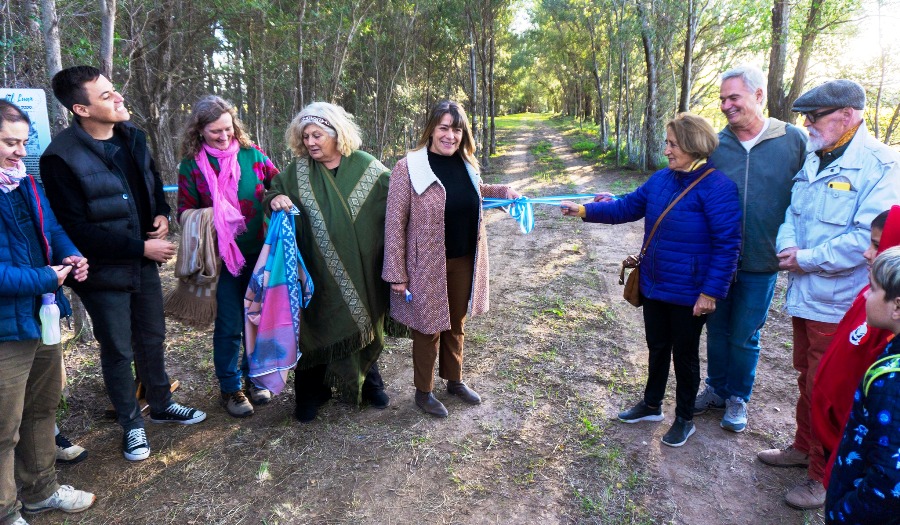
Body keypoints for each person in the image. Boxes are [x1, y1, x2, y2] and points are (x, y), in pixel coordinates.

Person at [40, 65, 206, 463]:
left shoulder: (133, 137)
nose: (118, 98)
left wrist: (161, 213)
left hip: (141, 266)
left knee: (152, 337)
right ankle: (131, 425)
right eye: (106, 96)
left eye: (114, 90)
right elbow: (76, 229)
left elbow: (152, 185)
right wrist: (140, 248)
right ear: (81, 109)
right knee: (117, 349)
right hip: (102, 273)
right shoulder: (59, 157)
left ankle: (162, 404)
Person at [758, 79, 900, 509]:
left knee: (831, 387)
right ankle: (804, 447)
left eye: (814, 116)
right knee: (807, 375)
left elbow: (867, 241)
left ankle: (822, 476)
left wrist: (806, 258)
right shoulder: (817, 154)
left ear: (846, 115)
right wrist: (789, 247)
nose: (807, 124)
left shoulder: (881, 165)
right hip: (805, 293)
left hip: (841, 302)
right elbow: (792, 210)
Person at [560, 113, 741, 447]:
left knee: (684, 356)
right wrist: (583, 210)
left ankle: (684, 418)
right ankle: (651, 404)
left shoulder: (719, 188)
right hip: (655, 283)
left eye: (673, 144)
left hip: (690, 292)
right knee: (657, 347)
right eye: (667, 143)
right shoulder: (660, 179)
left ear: (693, 145)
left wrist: (710, 293)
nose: (667, 150)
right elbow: (626, 208)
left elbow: (727, 246)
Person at [382, 100, 521, 418]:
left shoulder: (466, 163)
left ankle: (454, 380)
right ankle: (424, 391)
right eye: (444, 127)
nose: (450, 135)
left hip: (464, 259)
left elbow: (476, 191)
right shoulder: (409, 167)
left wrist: (504, 191)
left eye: (456, 129)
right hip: (425, 264)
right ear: (431, 129)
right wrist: (396, 273)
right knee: (427, 327)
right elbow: (394, 224)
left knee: (456, 323)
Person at [695, 65, 807, 432]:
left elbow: (810, 194)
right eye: (722, 99)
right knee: (716, 329)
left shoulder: (793, 140)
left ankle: (737, 397)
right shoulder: (716, 145)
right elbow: (686, 185)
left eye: (734, 98)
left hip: (763, 260)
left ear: (759, 96)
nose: (726, 105)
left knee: (745, 334)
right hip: (718, 260)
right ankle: (716, 389)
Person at [0, 100, 95, 525]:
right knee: (3, 427)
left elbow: (53, 229)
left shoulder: (26, 183)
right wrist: (45, 277)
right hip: (5, 330)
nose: (20, 152)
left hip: (42, 317)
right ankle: (6, 510)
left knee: (41, 410)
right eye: (9, 143)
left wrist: (70, 255)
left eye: (23, 142)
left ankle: (41, 491)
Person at [266, 102, 390, 422]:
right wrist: (275, 199)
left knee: (361, 320)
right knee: (315, 327)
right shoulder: (296, 174)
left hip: (361, 270)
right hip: (315, 271)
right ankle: (310, 393)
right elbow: (272, 193)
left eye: (317, 135)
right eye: (305, 136)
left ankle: (369, 383)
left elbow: (398, 200)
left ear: (337, 134)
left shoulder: (367, 167)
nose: (310, 142)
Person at [176, 95, 280, 418]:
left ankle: (256, 378)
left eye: (228, 128)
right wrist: (215, 216)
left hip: (259, 253)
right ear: (199, 131)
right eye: (215, 131)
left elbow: (278, 186)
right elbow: (184, 212)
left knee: (257, 319)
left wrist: (278, 198)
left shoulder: (254, 156)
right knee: (229, 324)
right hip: (221, 260)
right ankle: (230, 388)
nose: (224, 136)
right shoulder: (192, 166)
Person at [813, 208, 900, 490]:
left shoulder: (887, 316)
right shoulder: (873, 296)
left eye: (876, 245)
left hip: (851, 431)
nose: (866, 253)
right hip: (834, 423)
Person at [824, 246, 900, 523]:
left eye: (873, 288)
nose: (865, 295)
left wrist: (843, 513)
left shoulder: (891, 382)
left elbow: (889, 481)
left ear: (897, 306)